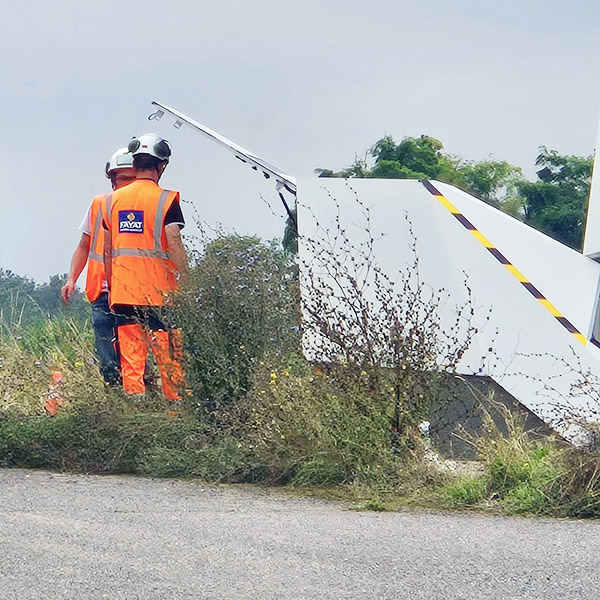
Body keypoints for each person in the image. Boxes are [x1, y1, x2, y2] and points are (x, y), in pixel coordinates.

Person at [102, 133, 188, 404]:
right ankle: (176, 413)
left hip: (124, 295)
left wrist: (114, 288)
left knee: (131, 360)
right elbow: (173, 241)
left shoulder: (110, 201)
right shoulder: (167, 200)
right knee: (169, 359)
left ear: (135, 163)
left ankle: (136, 415)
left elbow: (107, 251)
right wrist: (188, 281)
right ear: (161, 166)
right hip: (160, 295)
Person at [61, 148, 136, 385]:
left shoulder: (145, 209)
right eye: (122, 178)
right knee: (107, 356)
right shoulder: (98, 206)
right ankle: (113, 394)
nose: (127, 183)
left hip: (133, 293)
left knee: (135, 355)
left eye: (132, 177)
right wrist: (72, 279)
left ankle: (140, 398)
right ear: (113, 180)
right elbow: (83, 246)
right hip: (102, 294)